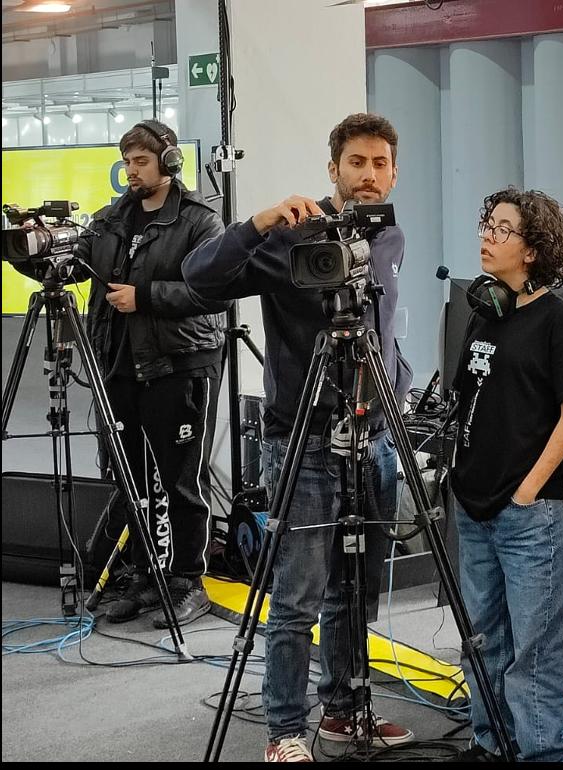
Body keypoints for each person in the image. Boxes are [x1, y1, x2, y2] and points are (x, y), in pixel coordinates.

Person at [183, 113, 415, 763]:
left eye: (379, 163)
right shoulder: (292, 236)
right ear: (333, 169)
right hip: (304, 441)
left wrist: (398, 389)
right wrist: (257, 222)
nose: (368, 175)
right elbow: (201, 279)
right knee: (298, 598)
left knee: (356, 592)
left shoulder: (389, 235)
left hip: (373, 436)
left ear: (393, 171)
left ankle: (343, 712)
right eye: (356, 163)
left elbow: (386, 323)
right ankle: (285, 730)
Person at [11, 120, 229, 628]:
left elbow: (216, 292)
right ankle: (144, 574)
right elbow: (68, 270)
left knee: (181, 481)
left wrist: (146, 297)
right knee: (131, 480)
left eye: (140, 161)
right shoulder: (112, 220)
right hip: (121, 366)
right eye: (126, 161)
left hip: (180, 364)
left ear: (169, 163)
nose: (130, 171)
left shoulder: (200, 222)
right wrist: (30, 251)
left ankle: (185, 580)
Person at [451, 187, 563, 761]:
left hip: (527, 513)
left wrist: (529, 490)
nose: (487, 235)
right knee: (482, 640)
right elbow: (468, 398)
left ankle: (540, 753)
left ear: (532, 250)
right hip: (474, 504)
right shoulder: (485, 313)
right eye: (487, 224)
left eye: (503, 229)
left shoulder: (557, 322)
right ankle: (491, 743)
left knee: (533, 650)